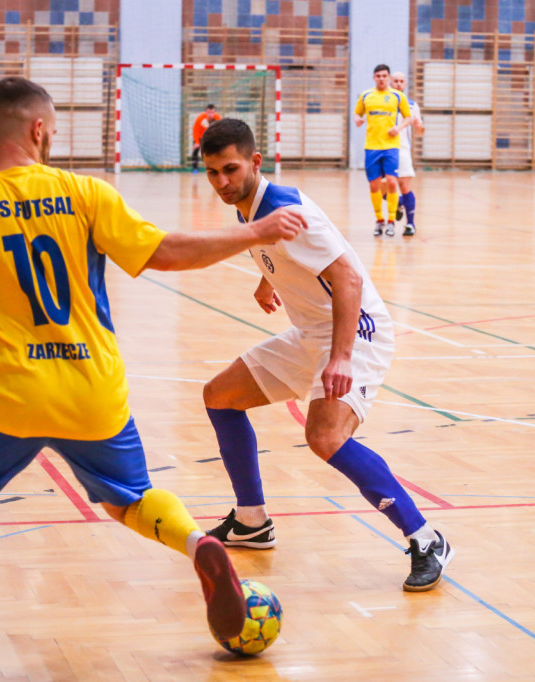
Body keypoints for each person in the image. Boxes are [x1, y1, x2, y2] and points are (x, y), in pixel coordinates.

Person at [0, 78, 307, 678]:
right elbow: (164, 252)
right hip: (92, 391)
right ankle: (197, 545)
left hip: (8, 398)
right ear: (39, 130)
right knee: (130, 500)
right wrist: (254, 232)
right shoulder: (82, 193)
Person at [197, 118, 454, 593]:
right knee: (220, 396)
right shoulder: (250, 207)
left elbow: (349, 279)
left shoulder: (283, 207)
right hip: (312, 331)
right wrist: (267, 278)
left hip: (356, 331)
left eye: (230, 169)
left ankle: (425, 537)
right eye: (212, 173)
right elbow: (285, 252)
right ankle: (251, 521)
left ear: (255, 161)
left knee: (325, 437)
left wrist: (340, 358)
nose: (222, 182)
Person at [353, 64, 411, 237]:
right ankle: (379, 220)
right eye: (378, 76)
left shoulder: (397, 96)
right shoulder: (366, 96)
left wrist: (398, 128)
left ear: (388, 78)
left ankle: (392, 221)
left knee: (392, 182)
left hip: (391, 146)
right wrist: (358, 120)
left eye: (384, 76)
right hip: (371, 146)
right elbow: (357, 114)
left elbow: (408, 117)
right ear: (374, 78)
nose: (381, 79)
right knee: (374, 185)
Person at [389, 71, 425, 237]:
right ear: (390, 83)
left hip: (402, 149)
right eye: (395, 81)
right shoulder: (381, 101)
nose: (398, 84)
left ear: (405, 84)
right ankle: (399, 202)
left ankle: (410, 224)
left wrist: (418, 126)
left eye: (401, 81)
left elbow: (420, 131)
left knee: (404, 186)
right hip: (382, 149)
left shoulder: (411, 105)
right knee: (383, 189)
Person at [192, 103, 221, 172]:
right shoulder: (200, 118)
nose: (210, 114)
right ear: (206, 112)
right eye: (208, 112)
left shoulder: (218, 118)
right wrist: (196, 142)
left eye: (212, 112)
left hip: (210, 138)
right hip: (200, 137)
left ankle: (214, 167)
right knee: (195, 151)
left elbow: (220, 130)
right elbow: (195, 130)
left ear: (215, 112)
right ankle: (195, 168)